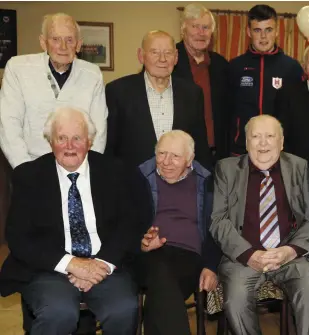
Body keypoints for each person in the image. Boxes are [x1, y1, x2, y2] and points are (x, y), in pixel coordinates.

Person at [0, 107, 140, 334]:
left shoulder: (114, 171)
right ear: (50, 142)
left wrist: (102, 264)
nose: (69, 146)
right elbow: (18, 237)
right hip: (51, 269)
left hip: (103, 264)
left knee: (123, 309)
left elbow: (128, 224)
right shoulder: (29, 176)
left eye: (77, 138)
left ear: (90, 141)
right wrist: (71, 264)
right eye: (61, 138)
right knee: (58, 312)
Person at [210, 115, 309, 335]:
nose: (263, 143)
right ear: (246, 143)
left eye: (270, 136)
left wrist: (290, 251)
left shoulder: (300, 167)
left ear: (281, 143)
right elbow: (218, 220)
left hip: (288, 254)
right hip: (243, 258)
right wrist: (249, 254)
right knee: (236, 301)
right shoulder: (227, 169)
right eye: (256, 137)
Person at [137, 130, 221, 335]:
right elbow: (126, 221)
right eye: (161, 154)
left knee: (161, 291)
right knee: (161, 273)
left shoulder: (207, 181)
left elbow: (217, 226)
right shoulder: (139, 177)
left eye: (175, 156)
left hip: (189, 257)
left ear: (190, 159)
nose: (166, 162)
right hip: (148, 255)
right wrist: (142, 241)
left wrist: (211, 266)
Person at [0, 13, 107, 168]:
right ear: (43, 43)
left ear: (78, 44)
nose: (63, 47)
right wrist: (24, 169)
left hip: (77, 167)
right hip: (30, 164)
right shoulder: (18, 68)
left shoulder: (92, 74)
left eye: (69, 40)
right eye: (55, 39)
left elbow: (98, 131)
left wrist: (86, 170)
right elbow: (8, 125)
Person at [105, 30, 211, 169]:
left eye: (168, 53)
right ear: (141, 56)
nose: (162, 59)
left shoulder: (192, 93)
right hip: (131, 183)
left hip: (179, 183)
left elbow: (200, 146)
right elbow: (110, 146)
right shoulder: (118, 91)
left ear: (176, 57)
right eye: (154, 52)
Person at [228, 5, 304, 155]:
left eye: (268, 30)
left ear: (276, 31)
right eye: (257, 30)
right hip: (241, 151)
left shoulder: (291, 67)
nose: (263, 37)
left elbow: (299, 113)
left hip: (280, 151)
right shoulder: (235, 66)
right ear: (249, 32)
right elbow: (226, 112)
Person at [173, 4, 230, 160]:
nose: (201, 33)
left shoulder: (221, 65)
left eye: (205, 27)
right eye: (195, 26)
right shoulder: (169, 61)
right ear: (183, 29)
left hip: (218, 155)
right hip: (180, 155)